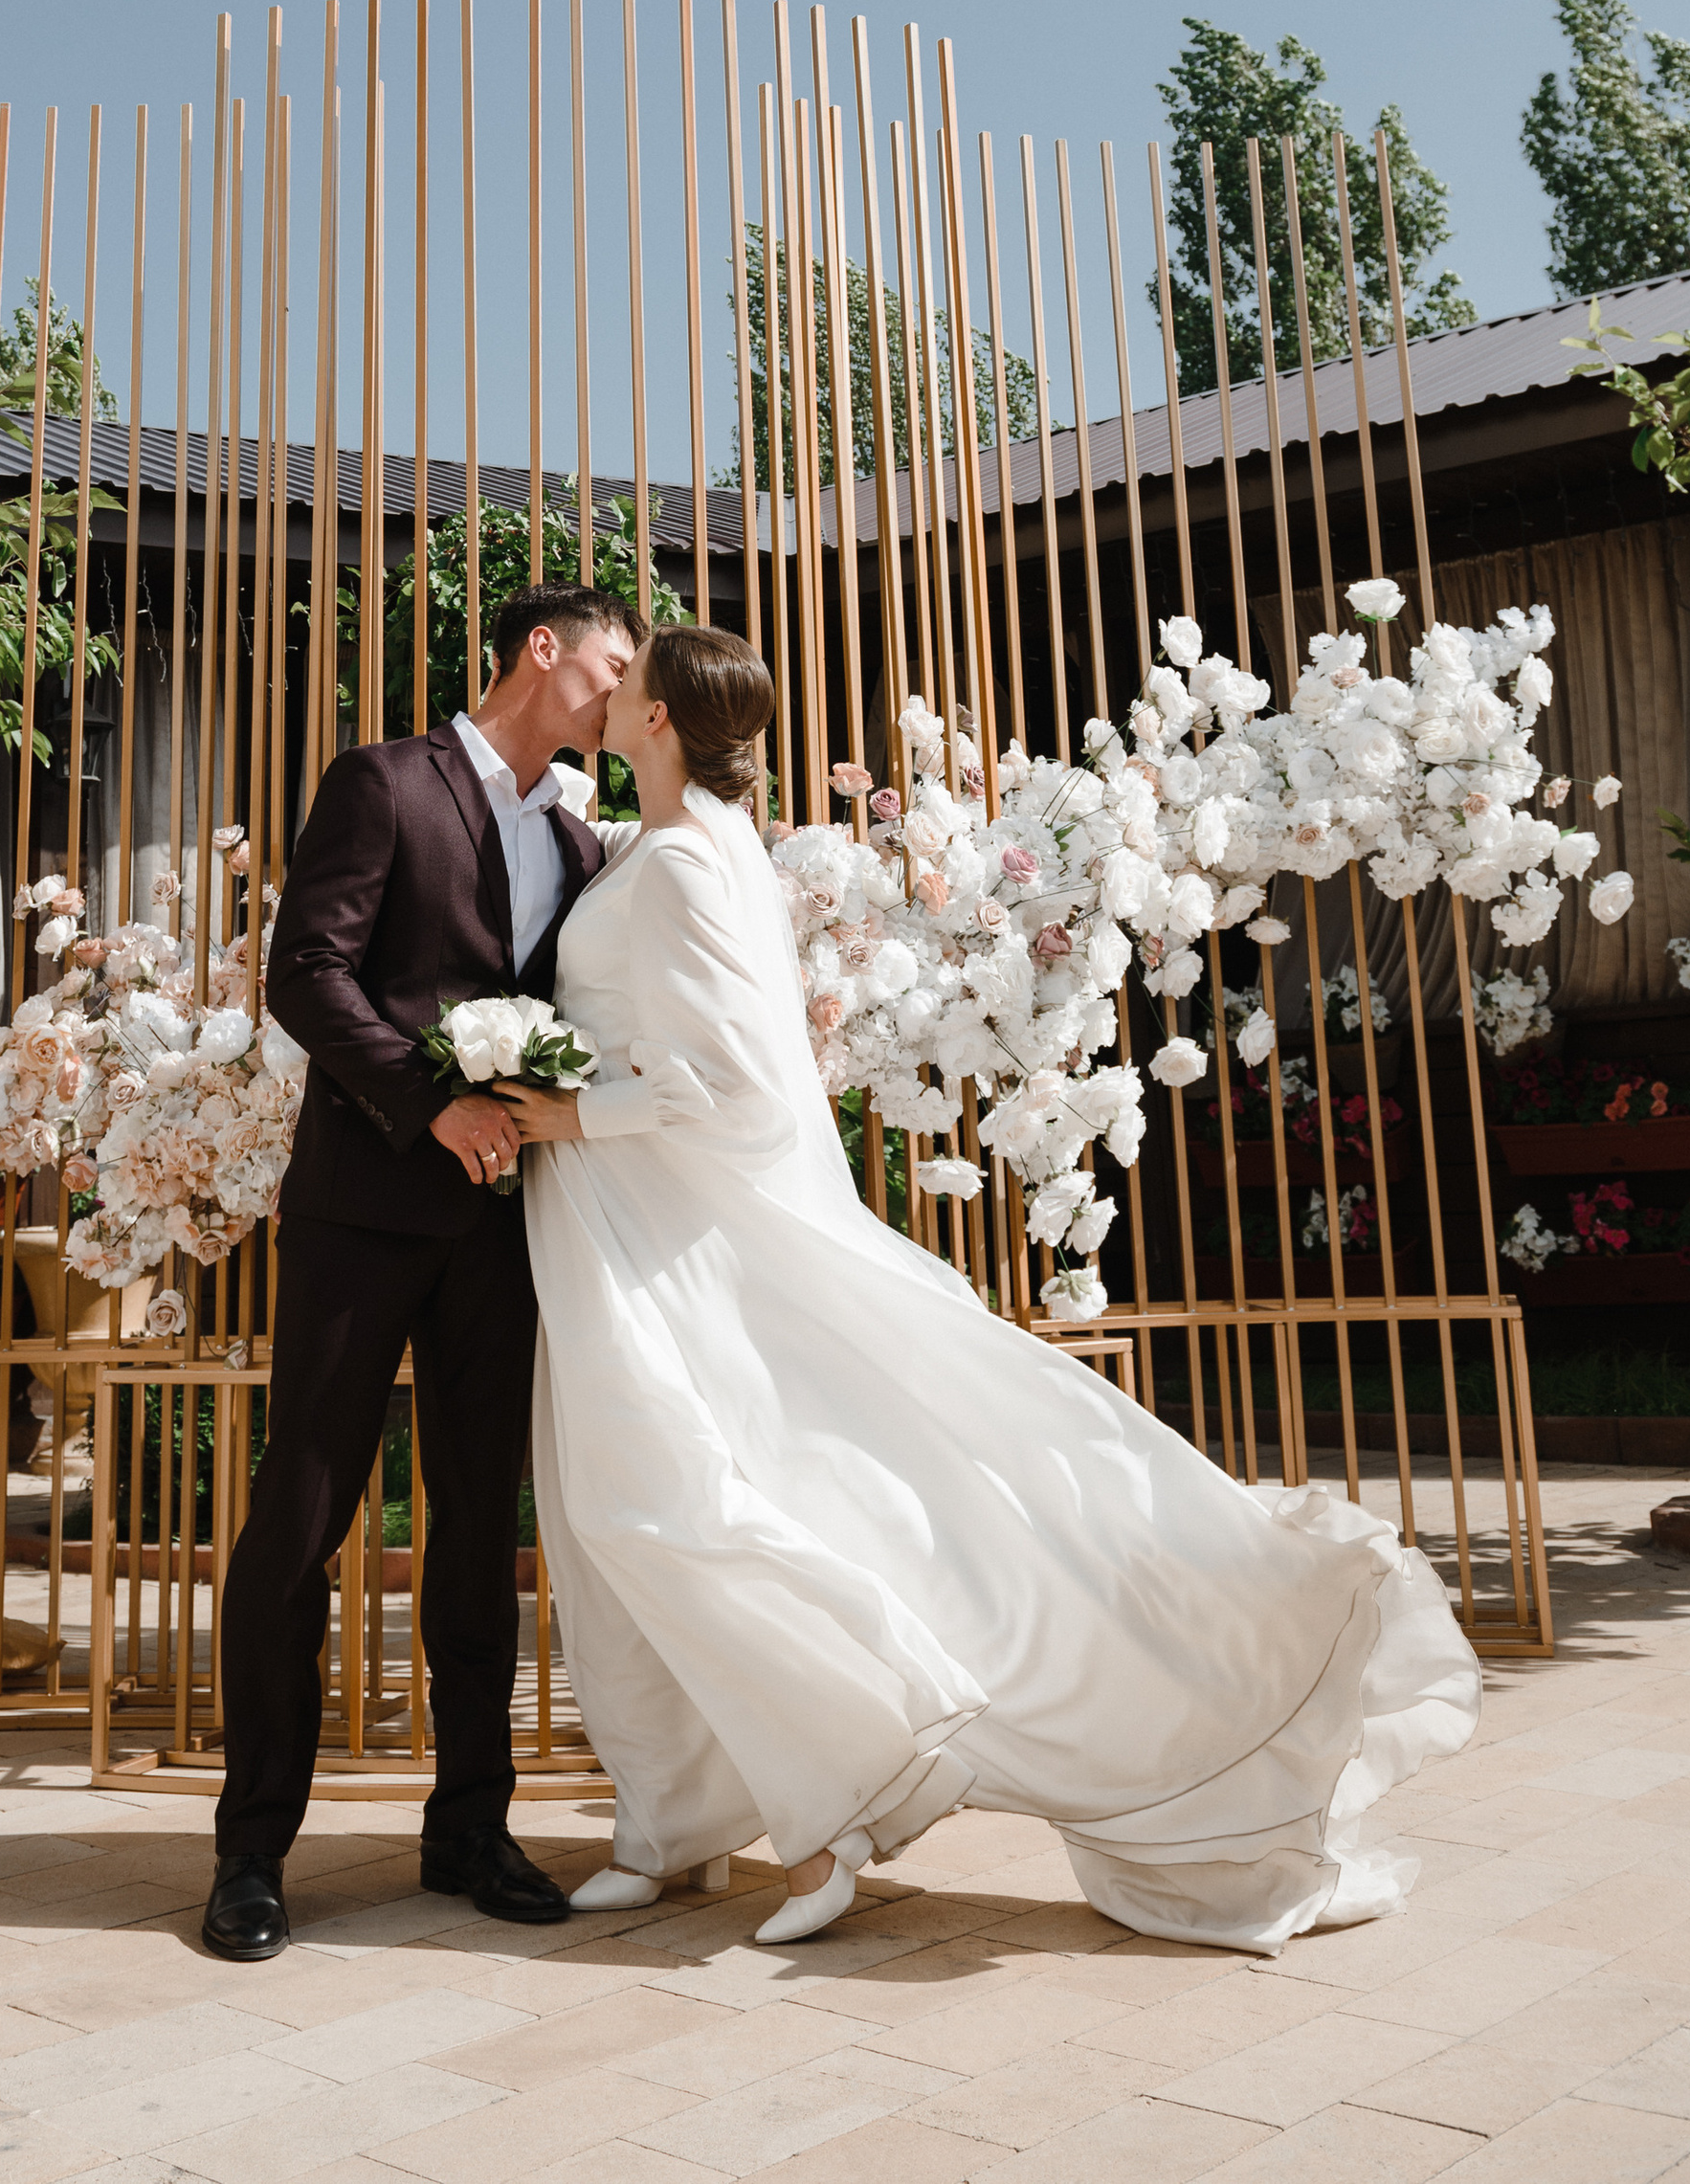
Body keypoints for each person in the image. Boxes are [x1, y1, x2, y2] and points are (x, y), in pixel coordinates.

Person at [506, 624, 1481, 1954]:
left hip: (658, 1231)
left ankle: (825, 1818)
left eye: (627, 682)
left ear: (664, 715)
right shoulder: (683, 845)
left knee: (665, 1507)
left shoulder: (684, 861)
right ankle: (669, 1825)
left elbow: (729, 1087)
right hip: (621, 1223)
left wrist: (558, 1112)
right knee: (626, 1515)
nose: (605, 694)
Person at [202, 583, 640, 1966]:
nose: (626, 695)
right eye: (616, 665)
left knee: (475, 1538)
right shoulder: (387, 780)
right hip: (361, 1212)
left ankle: (471, 1826)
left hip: (504, 1226)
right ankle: (252, 1851)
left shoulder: (577, 840)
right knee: (302, 1515)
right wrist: (428, 1097)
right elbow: (306, 972)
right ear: (545, 648)